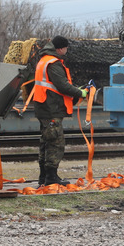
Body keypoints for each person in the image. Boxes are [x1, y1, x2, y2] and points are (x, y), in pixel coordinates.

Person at [31, 36, 87, 186]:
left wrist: (75, 91)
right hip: (51, 108)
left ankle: (44, 177)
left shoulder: (44, 60)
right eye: (66, 48)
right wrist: (79, 93)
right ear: (60, 48)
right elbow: (62, 85)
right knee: (55, 143)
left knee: (46, 142)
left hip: (44, 106)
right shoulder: (53, 63)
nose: (66, 51)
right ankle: (51, 178)